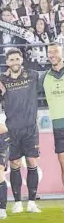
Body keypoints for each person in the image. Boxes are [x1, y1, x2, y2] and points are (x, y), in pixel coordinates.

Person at [0, 49, 42, 214]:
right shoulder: (1, 80)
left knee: (32, 162)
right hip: (12, 129)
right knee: (14, 164)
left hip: (30, 128)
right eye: (11, 60)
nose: (15, 62)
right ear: (7, 62)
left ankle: (31, 202)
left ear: (21, 60)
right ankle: (17, 202)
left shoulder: (32, 75)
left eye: (17, 59)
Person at [43, 43, 64, 190]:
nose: (52, 54)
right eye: (50, 52)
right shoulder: (45, 77)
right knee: (63, 165)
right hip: (58, 126)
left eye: (55, 51)